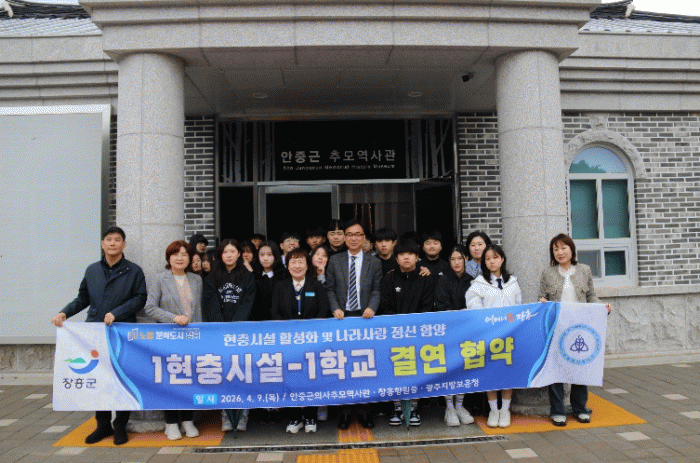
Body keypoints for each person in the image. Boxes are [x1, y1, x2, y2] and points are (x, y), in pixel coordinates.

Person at [51, 226, 147, 445]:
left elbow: (140, 298)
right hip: (95, 333)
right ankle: (102, 425)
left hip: (122, 332)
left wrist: (116, 313)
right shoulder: (92, 270)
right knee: (99, 378)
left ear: (123, 244)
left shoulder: (134, 271)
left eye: (117, 240)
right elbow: (82, 298)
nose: (112, 243)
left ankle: (120, 425)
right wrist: (64, 312)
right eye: (108, 239)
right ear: (103, 244)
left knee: (122, 378)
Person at [539, 233, 612, 427]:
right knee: (556, 370)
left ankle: (580, 408)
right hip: (557, 328)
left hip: (580, 328)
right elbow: (541, 297)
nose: (560, 252)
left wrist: (602, 307)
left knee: (580, 367)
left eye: (564, 248)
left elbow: (591, 297)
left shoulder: (584, 270)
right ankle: (558, 411)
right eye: (556, 249)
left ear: (572, 250)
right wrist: (542, 302)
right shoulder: (547, 273)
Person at [326, 218, 382, 429]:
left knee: (364, 366)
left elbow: (376, 289)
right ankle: (345, 413)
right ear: (344, 237)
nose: (353, 238)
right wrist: (335, 308)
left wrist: (372, 307)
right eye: (349, 234)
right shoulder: (335, 260)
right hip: (342, 318)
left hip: (365, 317)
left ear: (364, 238)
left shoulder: (373, 262)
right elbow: (330, 288)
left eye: (358, 235)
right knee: (344, 367)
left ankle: (366, 412)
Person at [144, 240, 202, 440]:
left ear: (190, 258)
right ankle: (170, 423)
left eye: (184, 254)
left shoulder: (196, 280)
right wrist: (173, 318)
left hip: (192, 338)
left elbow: (199, 310)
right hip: (168, 338)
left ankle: (187, 420)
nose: (180, 258)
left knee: (189, 380)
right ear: (169, 258)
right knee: (170, 380)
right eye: (175, 254)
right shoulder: (160, 279)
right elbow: (150, 307)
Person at [270, 248, 330, 434]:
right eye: (293, 262)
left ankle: (311, 415)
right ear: (287, 266)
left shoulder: (315, 285)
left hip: (311, 342)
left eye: (301, 262)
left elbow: (324, 310)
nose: (297, 266)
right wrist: (288, 330)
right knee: (291, 378)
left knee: (311, 378)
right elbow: (274, 311)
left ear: (307, 265)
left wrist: (310, 330)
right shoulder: (280, 286)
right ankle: (295, 417)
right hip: (288, 343)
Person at [378, 239, 436, 427]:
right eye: (402, 254)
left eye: (410, 254)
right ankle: (397, 408)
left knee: (416, 371)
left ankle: (414, 408)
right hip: (394, 333)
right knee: (396, 370)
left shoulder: (425, 277)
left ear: (417, 257)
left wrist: (414, 326)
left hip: (418, 334)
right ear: (396, 258)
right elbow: (385, 306)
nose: (406, 257)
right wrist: (397, 326)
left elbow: (427, 306)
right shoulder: (388, 279)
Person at [202, 239, 256, 432]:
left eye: (233, 251)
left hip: (242, 332)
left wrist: (236, 326)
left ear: (239, 254)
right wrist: (222, 327)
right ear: (220, 254)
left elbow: (248, 302)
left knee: (243, 374)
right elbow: (210, 303)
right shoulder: (212, 277)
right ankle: (226, 415)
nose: (229, 255)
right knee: (225, 373)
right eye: (225, 252)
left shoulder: (247, 276)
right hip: (220, 333)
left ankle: (242, 415)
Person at [465, 244, 521, 429]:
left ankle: (505, 410)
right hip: (488, 336)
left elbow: (518, 307)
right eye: (487, 259)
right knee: (490, 373)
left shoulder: (512, 282)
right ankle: (493, 410)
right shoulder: (479, 283)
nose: (491, 262)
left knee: (507, 373)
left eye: (495, 257)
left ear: (502, 259)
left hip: (509, 336)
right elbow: (473, 307)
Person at [434, 245, 475, 426]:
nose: (457, 262)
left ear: (466, 259)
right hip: (449, 331)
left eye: (460, 258)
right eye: (453, 259)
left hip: (467, 331)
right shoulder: (443, 279)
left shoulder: (472, 281)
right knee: (450, 368)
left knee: (464, 368)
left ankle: (460, 405)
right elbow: (441, 305)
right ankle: (449, 407)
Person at [252, 240, 288, 322]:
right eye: (262, 255)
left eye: (269, 254)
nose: (265, 258)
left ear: (276, 255)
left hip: (280, 322)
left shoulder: (284, 276)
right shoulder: (253, 276)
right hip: (257, 323)